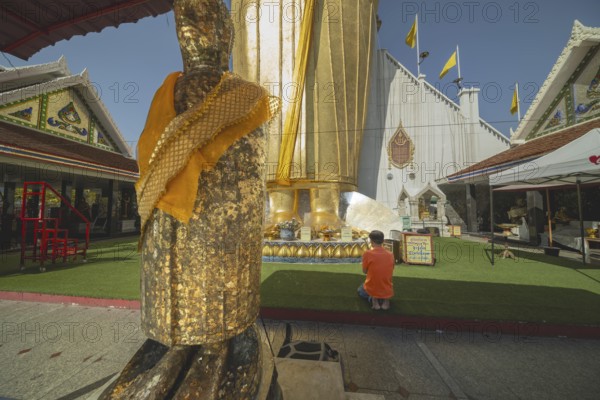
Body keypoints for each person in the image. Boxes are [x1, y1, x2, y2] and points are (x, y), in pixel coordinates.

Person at [358, 230, 395, 310]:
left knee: (360, 289)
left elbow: (364, 271)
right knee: (384, 284)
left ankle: (373, 298)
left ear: (371, 241)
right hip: (386, 288)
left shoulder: (367, 253)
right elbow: (391, 270)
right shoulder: (390, 254)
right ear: (383, 240)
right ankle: (385, 299)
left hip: (372, 287)